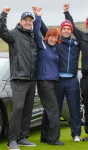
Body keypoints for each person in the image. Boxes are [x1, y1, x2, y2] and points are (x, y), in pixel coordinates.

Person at [0, 7, 38, 150]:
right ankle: (12, 140)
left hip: (32, 79)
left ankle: (22, 137)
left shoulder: (33, 36)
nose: (27, 22)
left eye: (30, 20)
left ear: (32, 22)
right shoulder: (14, 34)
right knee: (18, 108)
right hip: (19, 78)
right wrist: (4, 15)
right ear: (21, 21)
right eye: (25, 20)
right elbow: (1, 31)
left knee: (27, 109)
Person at [40, 7, 81, 142]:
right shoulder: (57, 43)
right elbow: (46, 32)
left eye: (69, 29)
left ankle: (75, 134)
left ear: (71, 31)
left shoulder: (76, 44)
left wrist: (67, 13)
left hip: (73, 81)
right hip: (58, 81)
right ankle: (50, 136)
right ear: (61, 30)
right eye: (64, 28)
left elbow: (73, 25)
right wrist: (38, 17)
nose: (66, 30)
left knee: (74, 108)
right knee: (54, 109)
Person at [33, 6, 64, 146]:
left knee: (48, 111)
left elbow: (47, 32)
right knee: (54, 110)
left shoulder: (54, 48)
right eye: (50, 36)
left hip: (54, 82)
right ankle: (53, 139)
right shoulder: (42, 45)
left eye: (55, 37)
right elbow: (37, 31)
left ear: (57, 39)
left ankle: (45, 137)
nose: (52, 38)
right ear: (47, 37)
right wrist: (37, 17)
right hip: (44, 82)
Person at [63, 3, 88, 142]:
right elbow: (71, 26)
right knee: (87, 107)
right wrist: (66, 12)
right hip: (86, 79)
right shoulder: (83, 37)